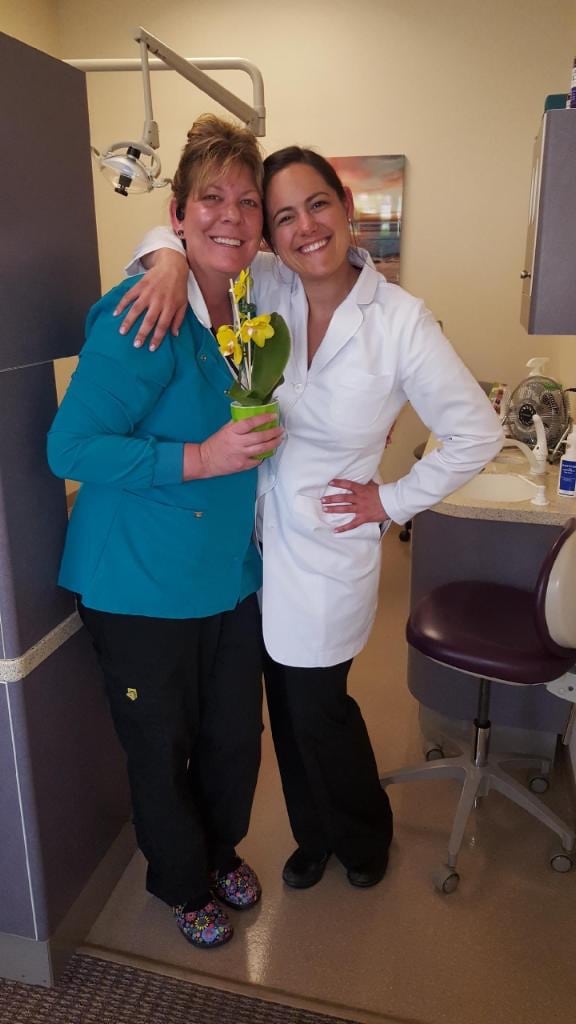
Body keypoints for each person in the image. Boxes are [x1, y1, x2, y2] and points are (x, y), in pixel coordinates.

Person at [115, 145, 504, 890]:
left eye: (318, 205)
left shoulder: (400, 323)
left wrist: (387, 502)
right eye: (283, 215)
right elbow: (187, 237)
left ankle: (362, 836)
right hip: (253, 540)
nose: (304, 228)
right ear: (270, 234)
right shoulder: (267, 285)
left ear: (347, 212)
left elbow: (477, 433)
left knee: (319, 706)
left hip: (330, 547)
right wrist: (162, 261)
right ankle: (313, 835)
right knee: (281, 706)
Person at [47, 115, 284, 950]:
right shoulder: (143, 311)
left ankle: (220, 851)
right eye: (210, 200)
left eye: (247, 202)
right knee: (161, 743)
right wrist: (202, 458)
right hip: (139, 583)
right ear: (178, 216)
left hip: (226, 575)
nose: (232, 215)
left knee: (232, 738)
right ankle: (181, 882)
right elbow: (68, 446)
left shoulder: (247, 315)